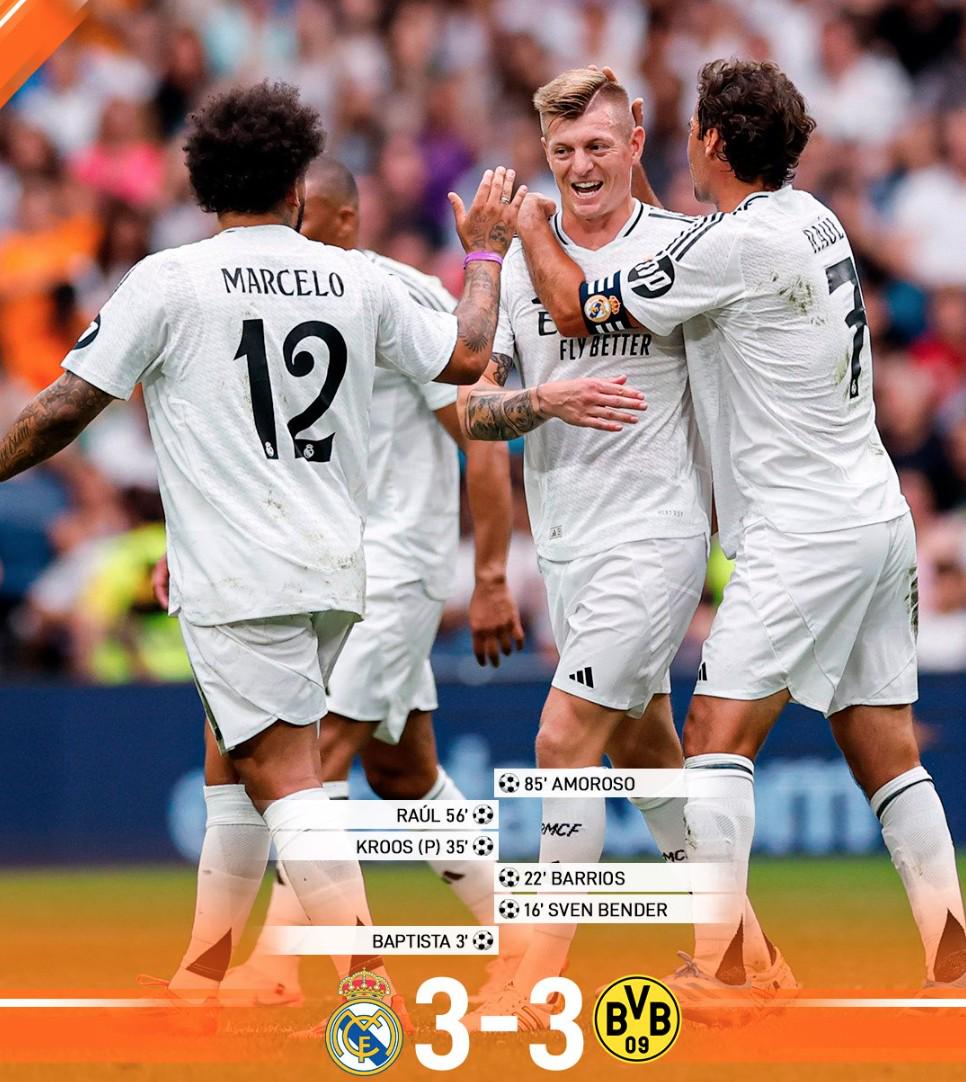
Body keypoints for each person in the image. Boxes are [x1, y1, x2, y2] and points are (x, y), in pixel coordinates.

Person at [0, 80, 527, 1015]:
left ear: (204, 187)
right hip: (335, 568)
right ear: (294, 188)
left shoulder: (170, 279)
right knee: (240, 757)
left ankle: (364, 986)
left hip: (240, 574)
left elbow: (61, 410)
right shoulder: (360, 278)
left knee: (289, 777)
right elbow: (468, 352)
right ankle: (205, 972)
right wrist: (483, 251)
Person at [515, 58, 966, 1004]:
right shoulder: (813, 218)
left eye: (689, 130)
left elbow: (571, 307)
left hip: (804, 531)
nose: (684, 144)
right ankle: (952, 951)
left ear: (714, 142)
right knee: (883, 746)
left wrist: (523, 224)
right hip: (875, 514)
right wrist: (623, 168)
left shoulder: (732, 245)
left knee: (714, 734)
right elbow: (680, 258)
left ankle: (723, 968)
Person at [458, 67, 793, 1030]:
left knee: (563, 741)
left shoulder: (684, 249)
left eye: (599, 145)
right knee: (648, 760)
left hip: (658, 535)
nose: (581, 166)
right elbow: (473, 411)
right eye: (563, 150)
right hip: (567, 547)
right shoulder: (519, 267)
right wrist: (543, 401)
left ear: (635, 141)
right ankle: (752, 957)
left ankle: (533, 978)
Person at [162, 155, 529, 1009]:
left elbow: (478, 431)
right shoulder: (284, 297)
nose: (289, 230)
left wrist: (489, 575)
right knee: (404, 772)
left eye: (304, 215)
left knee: (312, 757)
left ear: (342, 218)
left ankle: (276, 969)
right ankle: (517, 935)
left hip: (394, 568)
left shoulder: (392, 295)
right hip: (325, 565)